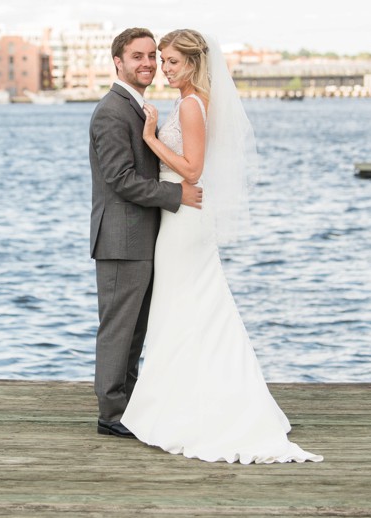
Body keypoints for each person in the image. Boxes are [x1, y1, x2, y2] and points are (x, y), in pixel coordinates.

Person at [120, 29, 322, 464]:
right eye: (162, 60)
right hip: (182, 218)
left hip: (185, 219)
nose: (164, 69)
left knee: (184, 306)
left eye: (172, 62)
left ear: (193, 63)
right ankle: (190, 399)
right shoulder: (190, 102)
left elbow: (192, 170)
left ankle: (190, 408)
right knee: (194, 307)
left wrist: (152, 138)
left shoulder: (192, 105)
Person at [89, 27, 203, 439]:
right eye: (138, 56)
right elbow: (120, 179)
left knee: (135, 329)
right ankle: (111, 414)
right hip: (121, 238)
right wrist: (178, 194)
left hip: (142, 237)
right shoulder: (111, 111)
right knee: (119, 327)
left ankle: (129, 406)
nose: (148, 63)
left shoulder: (137, 107)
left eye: (153, 56)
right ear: (117, 62)